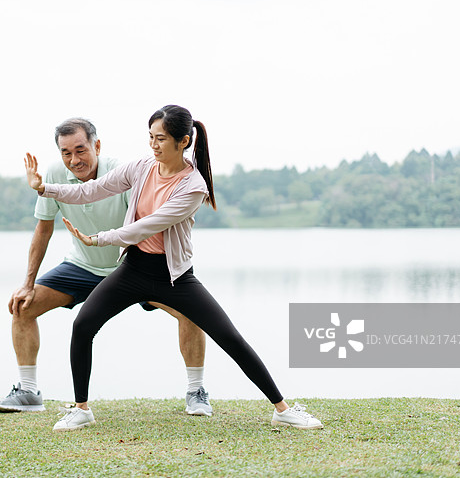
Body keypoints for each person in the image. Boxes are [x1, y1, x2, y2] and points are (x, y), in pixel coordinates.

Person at [24, 105, 323, 432]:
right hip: (133, 270)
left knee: (229, 337)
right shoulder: (141, 168)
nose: (153, 145)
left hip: (174, 278)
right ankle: (81, 408)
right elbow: (91, 190)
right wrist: (44, 188)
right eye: (150, 137)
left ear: (183, 141)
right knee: (83, 325)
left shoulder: (193, 186)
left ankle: (281, 408)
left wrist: (98, 239)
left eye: (161, 139)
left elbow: (148, 226)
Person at [0, 117, 214, 417]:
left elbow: (145, 224)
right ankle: (29, 392)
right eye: (66, 152)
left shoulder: (125, 172)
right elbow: (43, 230)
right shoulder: (54, 174)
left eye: (81, 150)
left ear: (97, 145)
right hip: (82, 266)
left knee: (192, 312)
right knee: (22, 306)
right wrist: (28, 283)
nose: (74, 159)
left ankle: (196, 391)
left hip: (133, 267)